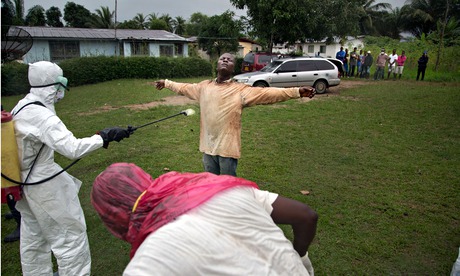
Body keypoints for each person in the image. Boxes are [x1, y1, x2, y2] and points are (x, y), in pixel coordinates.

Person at [91, 162, 318, 275]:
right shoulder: (219, 188)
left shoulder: (147, 264)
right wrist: (300, 257)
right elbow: (306, 215)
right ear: (146, 179)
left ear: (114, 219)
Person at [11, 61, 130, 276]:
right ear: (52, 86)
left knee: (34, 240)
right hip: (42, 183)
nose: (61, 91)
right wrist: (103, 137)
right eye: (60, 85)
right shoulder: (43, 117)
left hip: (22, 182)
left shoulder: (21, 106)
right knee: (71, 239)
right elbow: (72, 148)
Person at [154, 53, 316, 177]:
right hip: (208, 148)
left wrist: (296, 91)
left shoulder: (240, 90)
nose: (225, 60)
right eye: (222, 58)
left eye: (229, 60)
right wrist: (166, 83)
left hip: (227, 149)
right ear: (216, 64)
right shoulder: (203, 87)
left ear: (233, 68)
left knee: (227, 189)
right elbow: (183, 87)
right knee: (210, 185)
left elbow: (268, 93)